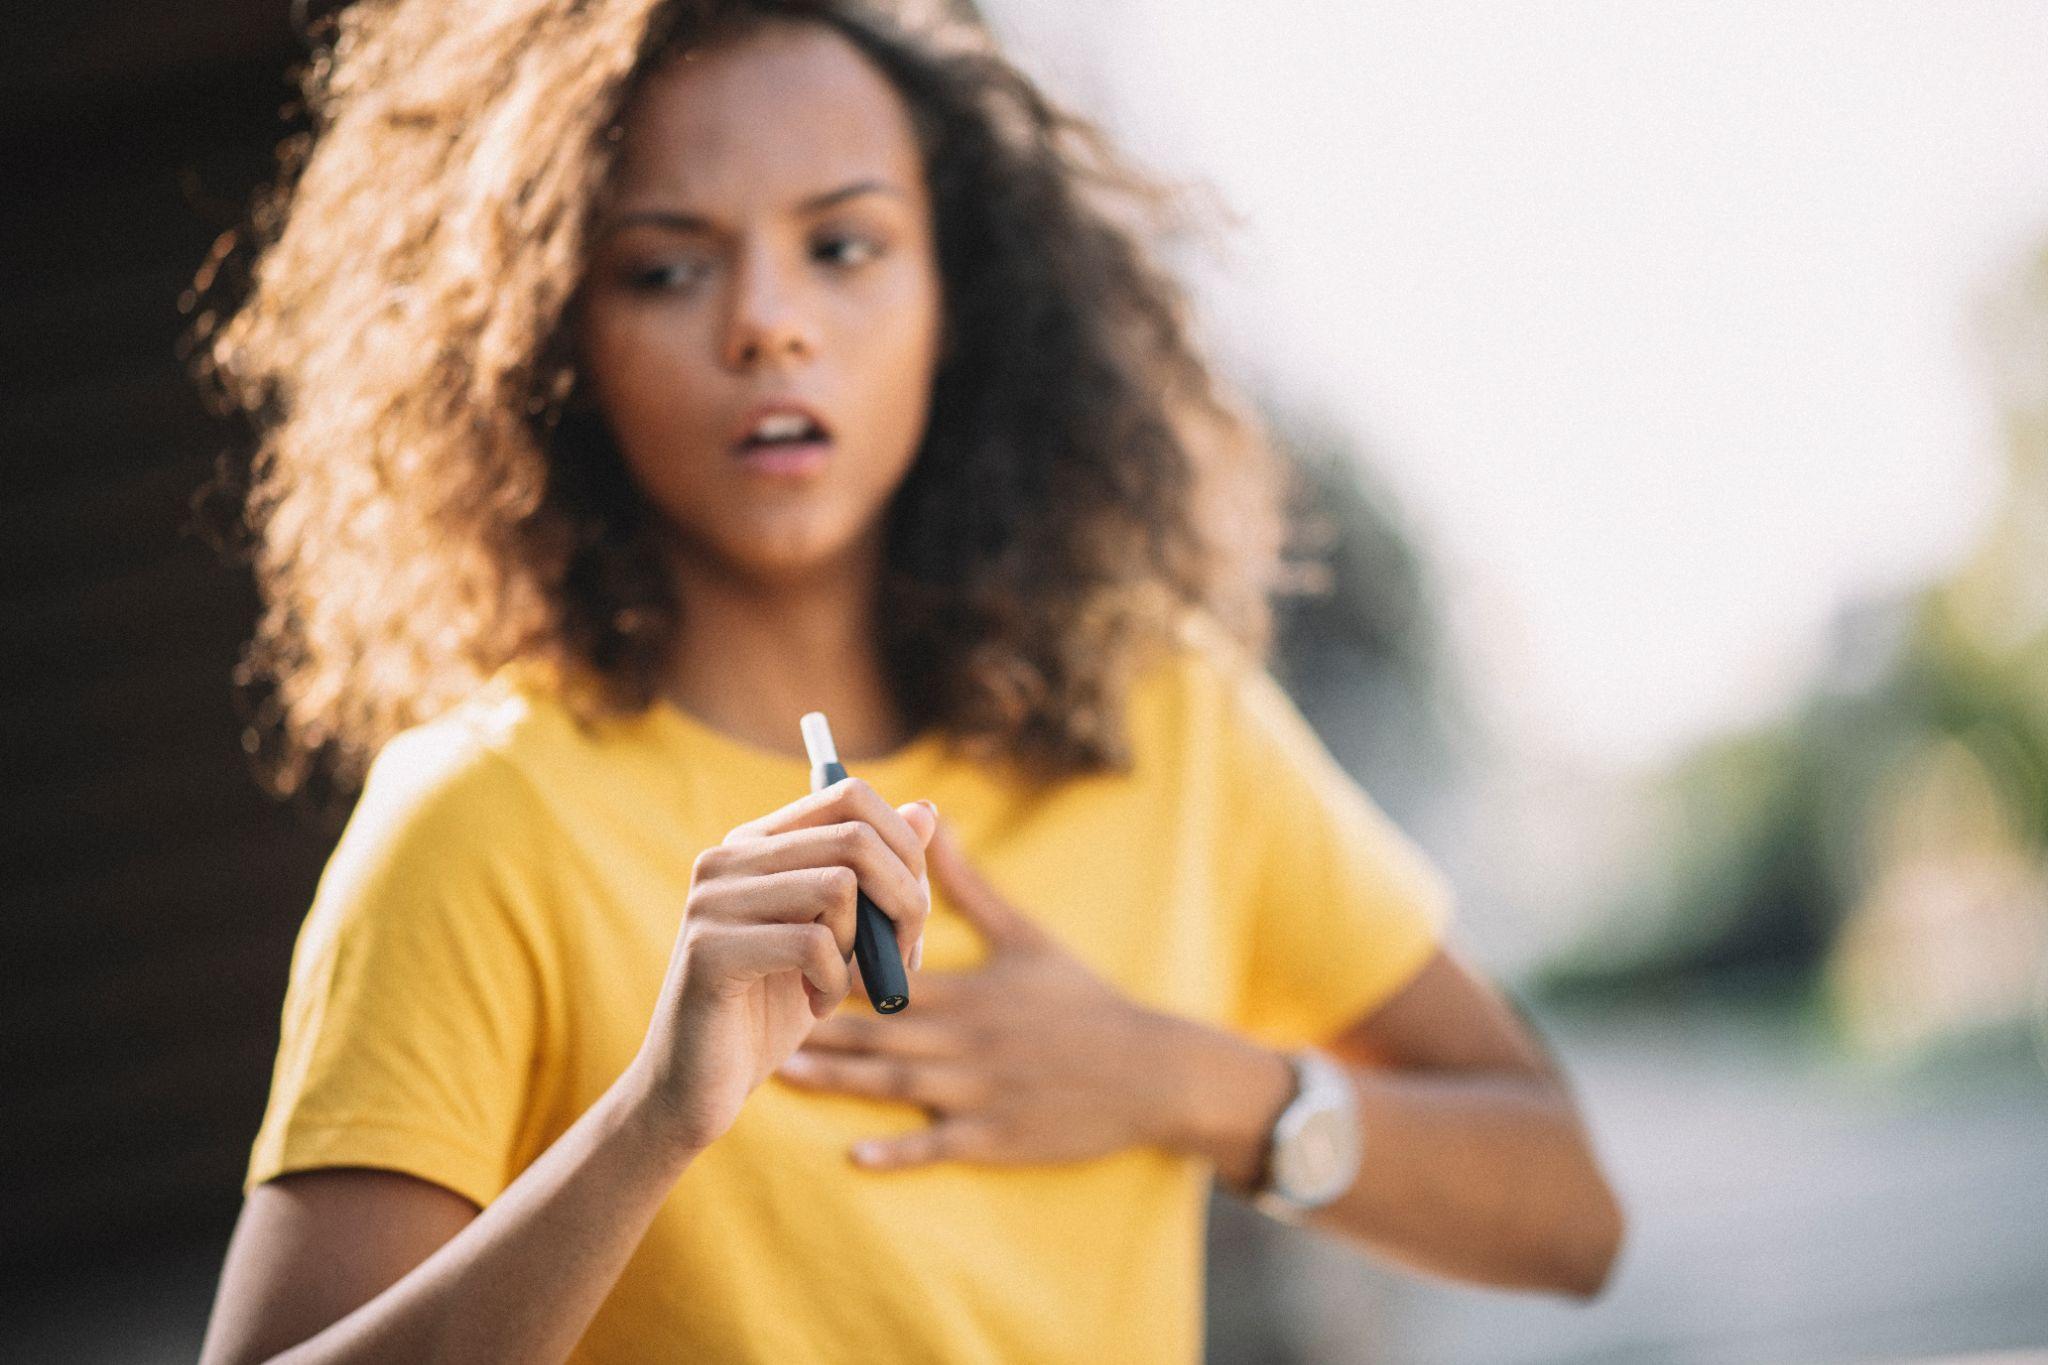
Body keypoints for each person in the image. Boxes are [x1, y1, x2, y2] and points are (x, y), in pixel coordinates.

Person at [192, 1, 1624, 1360]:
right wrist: (652, 1121)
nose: (766, 322)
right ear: (553, 334)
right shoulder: (480, 819)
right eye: (667, 266)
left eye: (845, 246)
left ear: (963, 299)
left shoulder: (1162, 720)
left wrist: (1176, 1078)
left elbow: (1571, 1210)